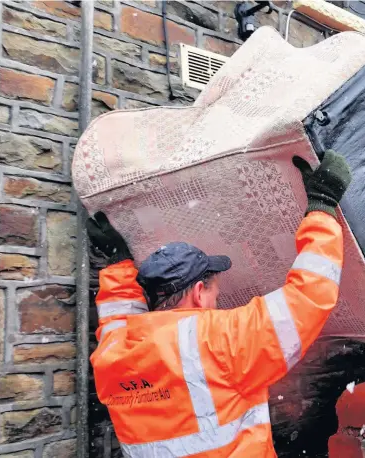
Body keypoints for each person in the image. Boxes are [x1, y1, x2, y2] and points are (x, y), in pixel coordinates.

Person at [87, 151, 351, 458]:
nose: (217, 300)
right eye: (214, 291)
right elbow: (308, 297)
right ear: (199, 292)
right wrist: (322, 204)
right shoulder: (217, 341)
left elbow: (117, 316)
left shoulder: (113, 351)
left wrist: (117, 266)